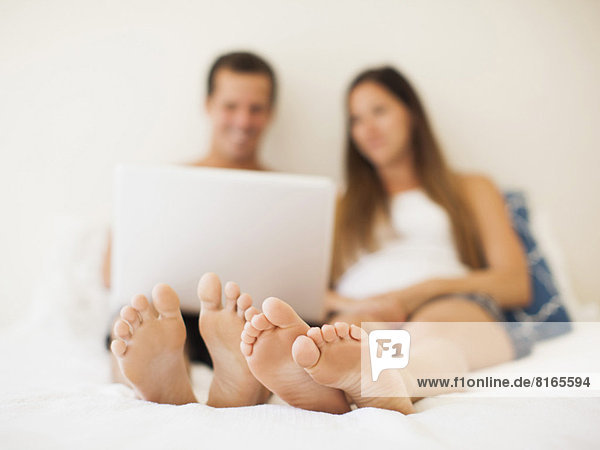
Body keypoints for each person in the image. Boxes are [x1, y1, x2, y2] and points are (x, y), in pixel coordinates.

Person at [110, 65, 531, 414]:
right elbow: (312, 285)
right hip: (363, 305)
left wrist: (420, 291)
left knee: (433, 334)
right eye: (356, 119)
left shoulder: (470, 187)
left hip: (446, 300)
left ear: (411, 113)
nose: (367, 128)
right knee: (328, 343)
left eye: (378, 111)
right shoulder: (343, 204)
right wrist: (351, 306)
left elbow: (514, 281)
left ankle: (390, 379)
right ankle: (321, 387)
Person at [105, 51, 277, 391]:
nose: (243, 121)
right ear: (209, 105)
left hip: (248, 316)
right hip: (169, 313)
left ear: (270, 113)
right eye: (231, 106)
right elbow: (110, 271)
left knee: (271, 332)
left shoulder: (295, 197)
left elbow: (314, 284)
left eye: (255, 108)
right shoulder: (162, 182)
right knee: (134, 324)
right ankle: (159, 374)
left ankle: (235, 372)